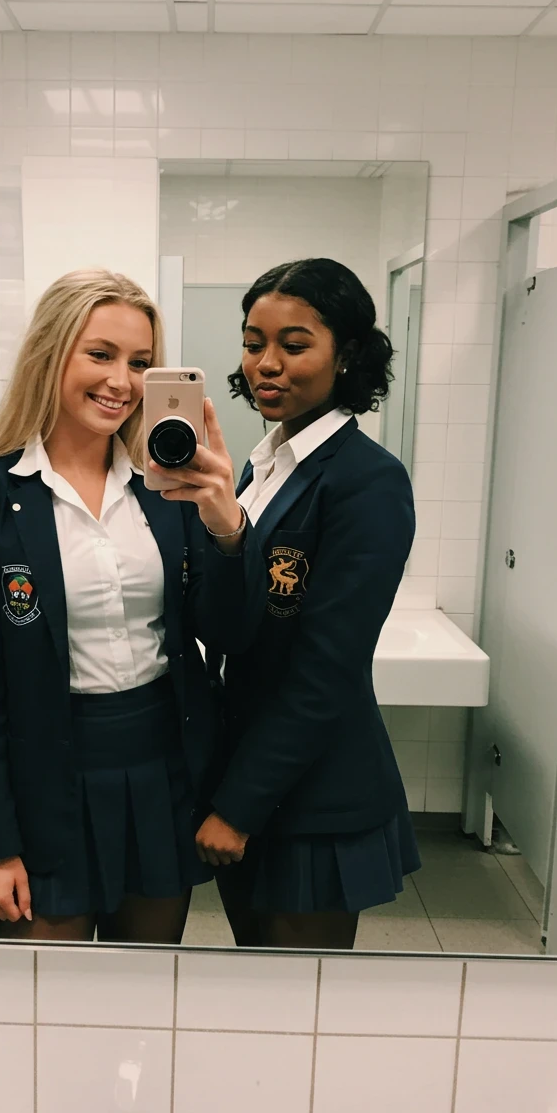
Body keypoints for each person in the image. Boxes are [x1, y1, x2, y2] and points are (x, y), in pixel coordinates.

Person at [0, 268, 263, 944]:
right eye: (101, 354)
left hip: (159, 769)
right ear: (50, 354)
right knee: (45, 1008)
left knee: (144, 994)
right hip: (44, 778)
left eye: (140, 362)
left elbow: (230, 631)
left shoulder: (164, 488)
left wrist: (226, 525)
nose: (122, 380)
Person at [198, 258, 420, 951]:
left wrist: (237, 807)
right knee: (257, 982)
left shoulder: (367, 482)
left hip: (316, 796)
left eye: (294, 345)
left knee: (299, 1009)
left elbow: (327, 671)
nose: (266, 364)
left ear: (346, 354)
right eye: (252, 342)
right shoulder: (260, 466)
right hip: (254, 774)